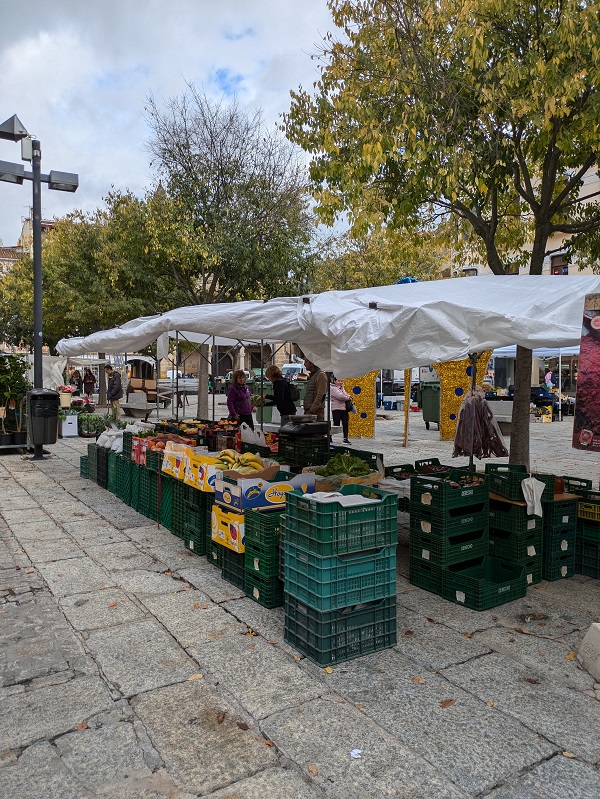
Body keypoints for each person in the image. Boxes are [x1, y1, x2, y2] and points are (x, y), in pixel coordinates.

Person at [330, 377, 352, 443]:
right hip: (337, 409)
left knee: (345, 424)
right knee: (336, 424)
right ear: (334, 381)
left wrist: (347, 395)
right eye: (339, 381)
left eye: (341, 381)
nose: (340, 382)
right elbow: (340, 396)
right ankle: (330, 436)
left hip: (344, 409)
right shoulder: (333, 389)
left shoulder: (341, 388)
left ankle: (345, 438)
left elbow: (345, 394)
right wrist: (348, 397)